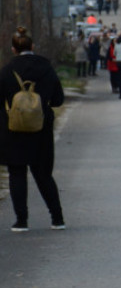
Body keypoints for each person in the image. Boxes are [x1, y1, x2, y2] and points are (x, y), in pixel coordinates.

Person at [0, 27, 66, 231]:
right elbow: (58, 99)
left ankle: (22, 221)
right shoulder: (46, 68)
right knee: (44, 174)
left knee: (17, 173)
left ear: (13, 49)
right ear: (33, 47)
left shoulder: (6, 70)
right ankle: (57, 219)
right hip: (41, 129)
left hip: (14, 129)